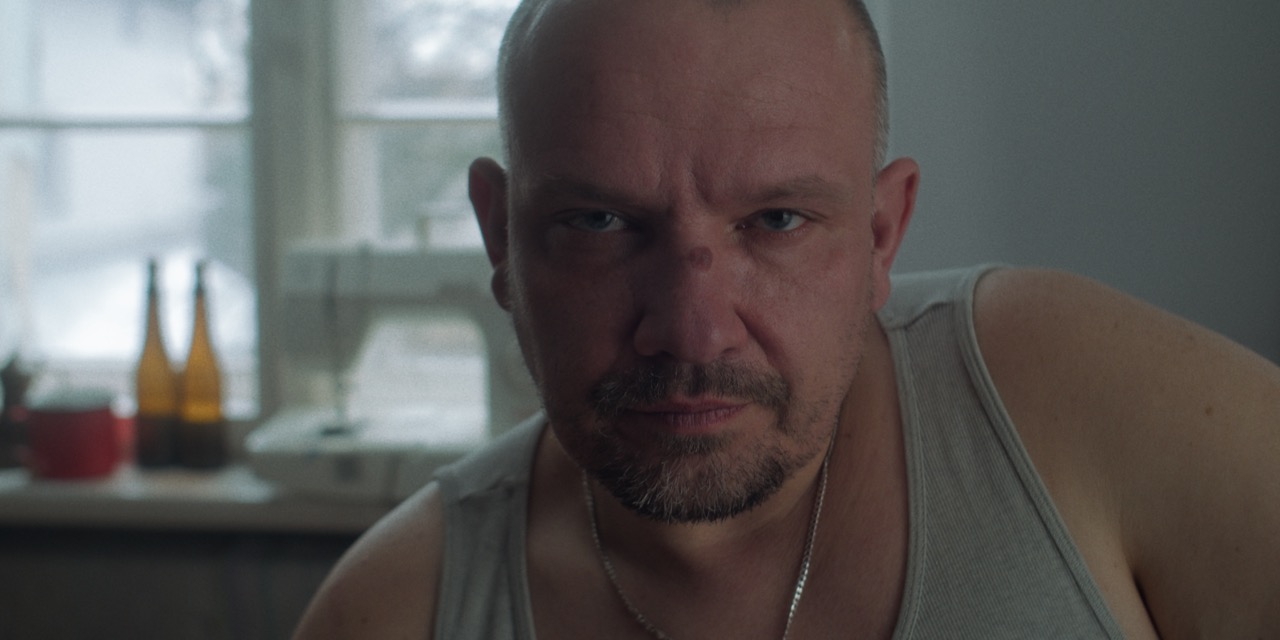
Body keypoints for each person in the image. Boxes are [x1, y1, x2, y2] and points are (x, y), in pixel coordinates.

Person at [294, 0, 1280, 637]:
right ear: (499, 237)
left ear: (882, 235)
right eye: (598, 223)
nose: (692, 331)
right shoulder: (394, 612)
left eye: (775, 222)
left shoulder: (1076, 404)